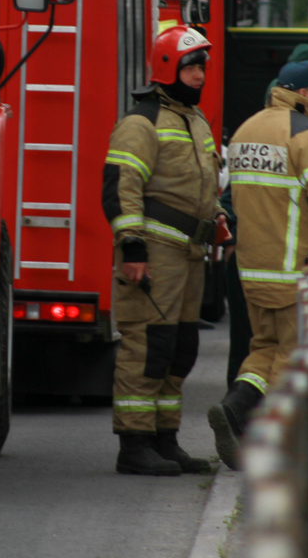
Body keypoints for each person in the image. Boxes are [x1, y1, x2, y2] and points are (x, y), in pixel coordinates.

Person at [208, 60, 308, 470]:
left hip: (253, 271)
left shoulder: (246, 131)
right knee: (295, 356)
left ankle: (234, 407)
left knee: (264, 350)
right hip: (295, 273)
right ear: (302, 93)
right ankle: (280, 451)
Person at [102, 24, 227, 476]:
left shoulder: (194, 120)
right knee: (147, 347)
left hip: (190, 254)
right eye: (192, 67)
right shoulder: (141, 122)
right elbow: (120, 189)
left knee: (180, 349)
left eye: (202, 68)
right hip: (154, 255)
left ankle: (164, 439)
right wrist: (133, 248)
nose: (200, 76)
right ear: (169, 67)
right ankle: (133, 445)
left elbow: (200, 184)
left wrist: (218, 221)